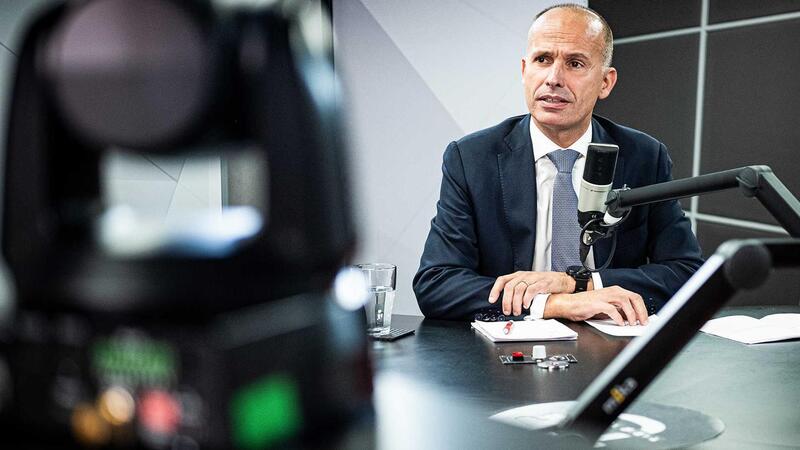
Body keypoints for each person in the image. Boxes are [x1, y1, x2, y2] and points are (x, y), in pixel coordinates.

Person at [413, 4, 703, 324]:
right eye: (543, 60)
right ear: (524, 70)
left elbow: (686, 272)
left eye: (575, 63)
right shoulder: (471, 158)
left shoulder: (644, 156)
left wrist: (577, 284)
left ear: (605, 82)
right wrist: (552, 304)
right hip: (510, 342)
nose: (553, 79)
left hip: (611, 339)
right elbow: (437, 282)